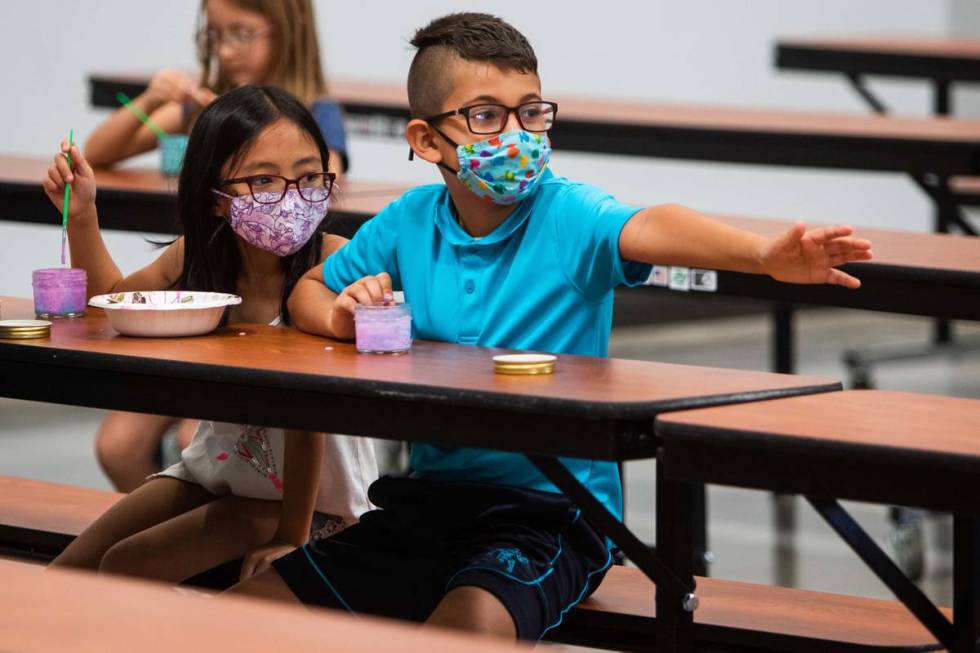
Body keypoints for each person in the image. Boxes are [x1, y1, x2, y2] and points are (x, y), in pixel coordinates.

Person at [230, 13, 873, 641]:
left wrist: (760, 255)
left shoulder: (567, 215)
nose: (518, 134)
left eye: (531, 112)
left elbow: (650, 224)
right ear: (427, 141)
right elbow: (312, 288)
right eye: (486, 115)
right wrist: (340, 320)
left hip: (554, 515)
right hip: (428, 503)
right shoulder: (410, 220)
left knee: (463, 632)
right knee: (244, 618)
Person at [42, 85, 376, 583]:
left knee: (126, 567)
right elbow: (113, 302)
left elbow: (310, 412)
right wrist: (83, 214)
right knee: (68, 573)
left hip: (319, 503)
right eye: (263, 181)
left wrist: (291, 534)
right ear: (215, 199)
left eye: (308, 176)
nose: (289, 196)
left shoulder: (335, 263)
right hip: (217, 476)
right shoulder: (198, 255)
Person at [85, 0, 350, 491]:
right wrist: (153, 100)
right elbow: (97, 154)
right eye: (214, 37)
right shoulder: (203, 106)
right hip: (200, 342)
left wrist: (263, 155)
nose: (227, 50)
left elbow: (329, 170)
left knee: (203, 432)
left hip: (259, 382)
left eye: (243, 33)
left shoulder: (312, 111)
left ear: (286, 31)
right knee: (117, 446)